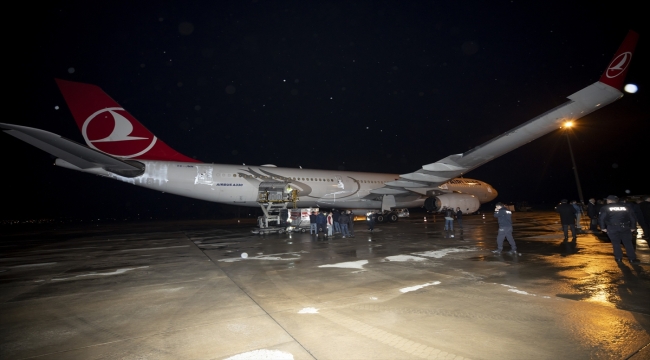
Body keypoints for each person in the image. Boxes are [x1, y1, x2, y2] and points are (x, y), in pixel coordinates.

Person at [599, 195, 640, 264]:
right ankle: (632, 259)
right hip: (625, 227)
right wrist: (633, 227)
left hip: (612, 228)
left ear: (609, 200)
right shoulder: (626, 207)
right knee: (628, 243)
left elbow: (601, 219)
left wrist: (603, 228)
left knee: (616, 243)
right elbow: (633, 218)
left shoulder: (605, 208)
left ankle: (618, 258)